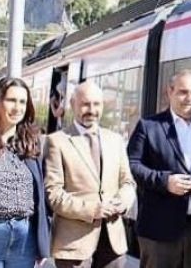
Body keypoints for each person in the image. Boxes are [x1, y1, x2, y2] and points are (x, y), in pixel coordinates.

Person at [128, 70, 191, 267]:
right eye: (183, 92)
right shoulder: (148, 126)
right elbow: (132, 165)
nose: (190, 98)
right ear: (169, 92)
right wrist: (165, 181)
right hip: (159, 228)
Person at [44, 81, 136, 268]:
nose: (91, 110)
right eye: (85, 104)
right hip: (74, 245)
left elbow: (128, 182)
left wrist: (123, 202)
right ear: (72, 104)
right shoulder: (57, 142)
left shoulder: (115, 140)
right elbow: (53, 194)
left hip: (113, 244)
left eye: (96, 104)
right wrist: (93, 210)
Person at [0, 77, 50, 267]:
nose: (17, 108)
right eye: (11, 100)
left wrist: (41, 243)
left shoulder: (31, 143)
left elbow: (40, 196)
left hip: (24, 238)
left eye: (22, 102)